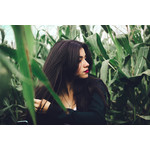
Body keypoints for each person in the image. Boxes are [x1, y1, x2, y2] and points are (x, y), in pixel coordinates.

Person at [32, 40, 109, 125]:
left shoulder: (95, 85)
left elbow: (97, 119)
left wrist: (53, 111)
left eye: (85, 58)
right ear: (64, 63)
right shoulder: (46, 94)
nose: (86, 64)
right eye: (79, 60)